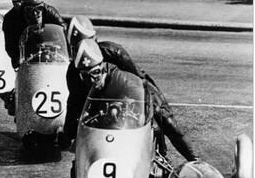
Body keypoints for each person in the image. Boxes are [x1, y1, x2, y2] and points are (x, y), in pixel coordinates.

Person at [62, 39, 198, 163]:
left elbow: (139, 82)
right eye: (85, 76)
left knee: (163, 118)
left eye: (95, 73)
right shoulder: (74, 76)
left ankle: (189, 160)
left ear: (103, 67)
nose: (92, 80)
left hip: (131, 86)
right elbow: (73, 104)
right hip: (98, 96)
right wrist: (70, 137)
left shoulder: (116, 56)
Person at [2, 0, 67, 69]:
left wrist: (56, 49)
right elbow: (10, 48)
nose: (35, 14)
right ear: (23, 8)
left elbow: (64, 32)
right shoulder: (11, 19)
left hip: (49, 57)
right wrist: (22, 58)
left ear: (43, 6)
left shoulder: (50, 12)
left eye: (39, 8)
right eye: (30, 9)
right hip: (26, 60)